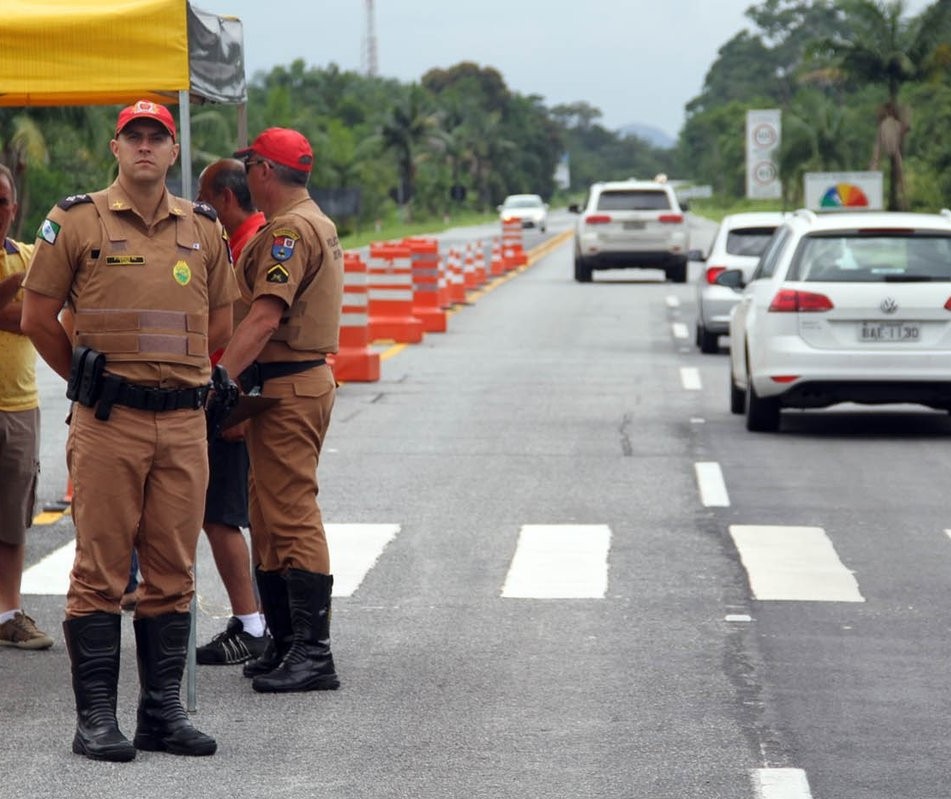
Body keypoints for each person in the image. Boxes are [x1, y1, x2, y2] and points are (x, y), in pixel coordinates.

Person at [21, 100, 238, 762]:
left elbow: (221, 324)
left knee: (173, 568)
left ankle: (162, 714)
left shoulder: (201, 230)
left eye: (158, 138)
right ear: (115, 148)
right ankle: (95, 721)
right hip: (108, 422)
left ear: (174, 153)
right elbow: (36, 315)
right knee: (101, 570)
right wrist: (87, 381)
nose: (146, 147)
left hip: (180, 421)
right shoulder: (76, 220)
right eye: (134, 136)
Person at [216, 128, 344, 694]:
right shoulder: (307, 221)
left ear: (265, 171)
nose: (246, 177)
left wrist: (218, 380)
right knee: (266, 516)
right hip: (282, 385)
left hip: (289, 385)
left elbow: (265, 318)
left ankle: (313, 653)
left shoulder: (290, 231)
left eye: (250, 167)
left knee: (290, 515)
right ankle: (289, 643)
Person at [193, 158, 269, 665]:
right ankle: (264, 620)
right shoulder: (248, 240)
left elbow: (259, 329)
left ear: (224, 197)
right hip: (230, 393)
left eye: (204, 200)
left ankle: (250, 622)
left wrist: (237, 404)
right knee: (244, 514)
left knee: (220, 515)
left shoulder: (249, 246)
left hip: (234, 397)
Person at [0, 162, 54, 651]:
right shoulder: (29, 265)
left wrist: (17, 311)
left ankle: (9, 611)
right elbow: (27, 313)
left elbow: (42, 316)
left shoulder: (30, 255)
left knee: (13, 516)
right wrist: (20, 295)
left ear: (13, 209)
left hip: (18, 404)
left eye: (1, 201)